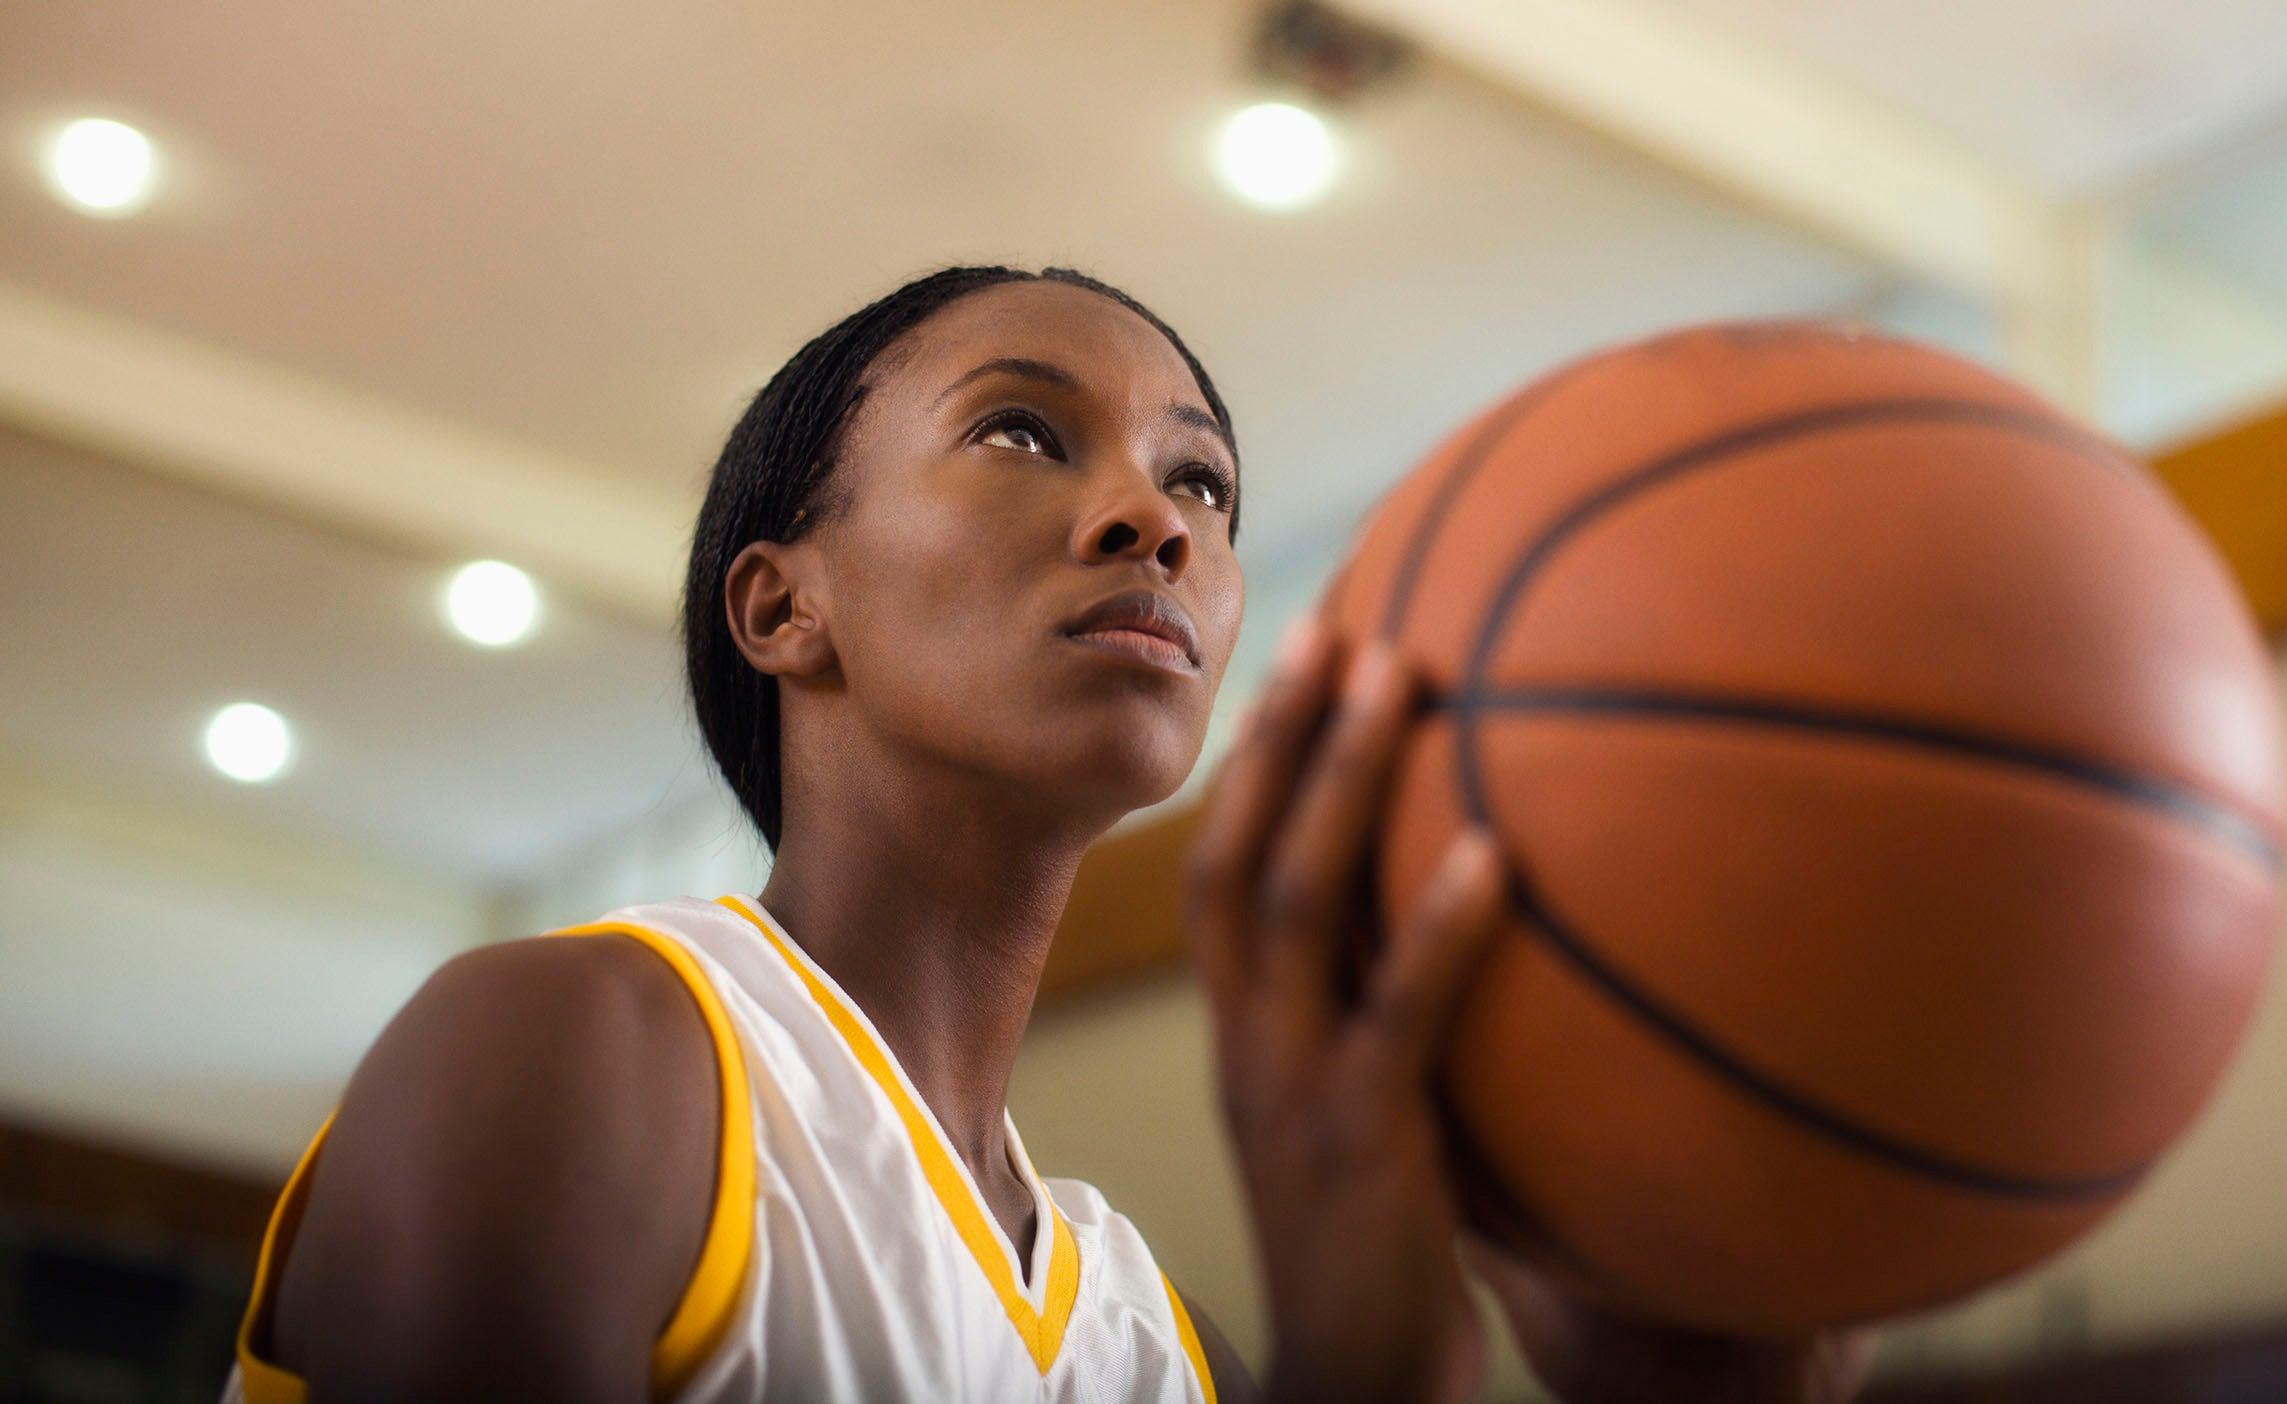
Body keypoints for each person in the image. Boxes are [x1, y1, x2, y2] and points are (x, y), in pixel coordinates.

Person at [222, 265, 1870, 1403]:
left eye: (1206, 486)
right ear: (784, 603)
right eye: (1022, 429)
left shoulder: (1169, 1343)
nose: (1155, 518)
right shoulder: (578, 1046)